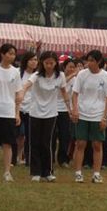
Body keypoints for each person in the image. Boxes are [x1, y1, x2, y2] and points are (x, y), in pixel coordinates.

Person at [20, 51, 70, 182]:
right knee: (34, 142)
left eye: (51, 63)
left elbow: (64, 92)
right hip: (35, 112)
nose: (49, 65)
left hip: (51, 113)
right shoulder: (36, 75)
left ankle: (47, 171)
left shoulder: (60, 76)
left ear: (55, 63)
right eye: (46, 63)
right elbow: (27, 85)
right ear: (42, 63)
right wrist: (22, 93)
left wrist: (70, 108)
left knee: (47, 142)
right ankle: (35, 171)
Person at [71, 50, 107, 184]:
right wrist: (75, 110)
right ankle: (78, 173)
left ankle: (96, 173)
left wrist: (104, 117)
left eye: (91, 60)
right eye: (87, 60)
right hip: (83, 113)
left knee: (97, 144)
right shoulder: (82, 75)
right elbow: (75, 94)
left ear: (98, 61)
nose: (88, 63)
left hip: (98, 114)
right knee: (80, 143)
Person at [0, 43, 21, 182]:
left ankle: (7, 172)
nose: (11, 56)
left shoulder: (16, 72)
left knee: (8, 143)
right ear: (2, 54)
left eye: (13, 54)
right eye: (9, 53)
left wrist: (17, 113)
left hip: (9, 111)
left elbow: (17, 94)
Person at [15, 51, 37, 166]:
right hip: (18, 107)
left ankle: (28, 158)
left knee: (29, 135)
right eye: (32, 59)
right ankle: (14, 158)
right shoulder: (19, 73)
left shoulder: (37, 75)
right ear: (26, 61)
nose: (34, 62)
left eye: (36, 60)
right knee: (17, 134)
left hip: (31, 109)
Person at [55, 57, 77, 167]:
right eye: (70, 67)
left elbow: (74, 95)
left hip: (66, 110)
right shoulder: (59, 76)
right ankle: (50, 158)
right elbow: (60, 88)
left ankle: (63, 159)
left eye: (74, 67)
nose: (72, 69)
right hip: (54, 108)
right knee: (53, 135)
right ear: (64, 67)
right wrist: (72, 75)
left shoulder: (76, 80)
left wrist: (72, 109)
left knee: (66, 135)